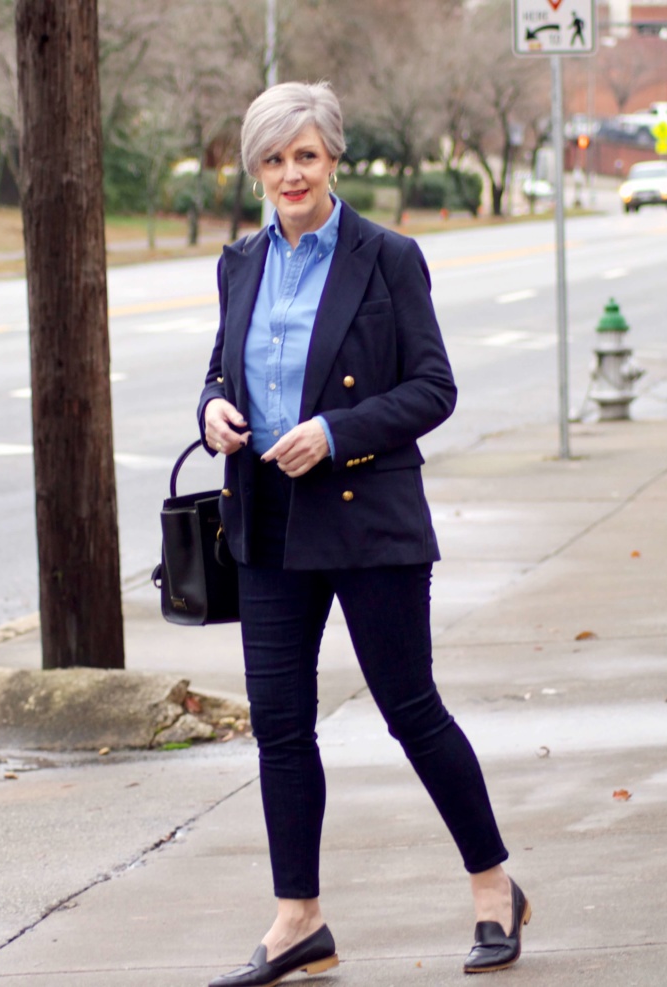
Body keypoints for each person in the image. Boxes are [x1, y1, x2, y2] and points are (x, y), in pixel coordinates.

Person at [198, 81, 528, 987]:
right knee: (279, 726)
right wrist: (216, 411)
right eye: (272, 159)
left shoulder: (387, 258)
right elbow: (220, 371)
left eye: (304, 154)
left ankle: (494, 886)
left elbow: (433, 387)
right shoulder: (239, 262)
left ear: (333, 157)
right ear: (256, 169)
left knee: (409, 708)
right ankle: (297, 917)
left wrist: (337, 433)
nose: (289, 173)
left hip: (367, 518)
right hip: (265, 523)